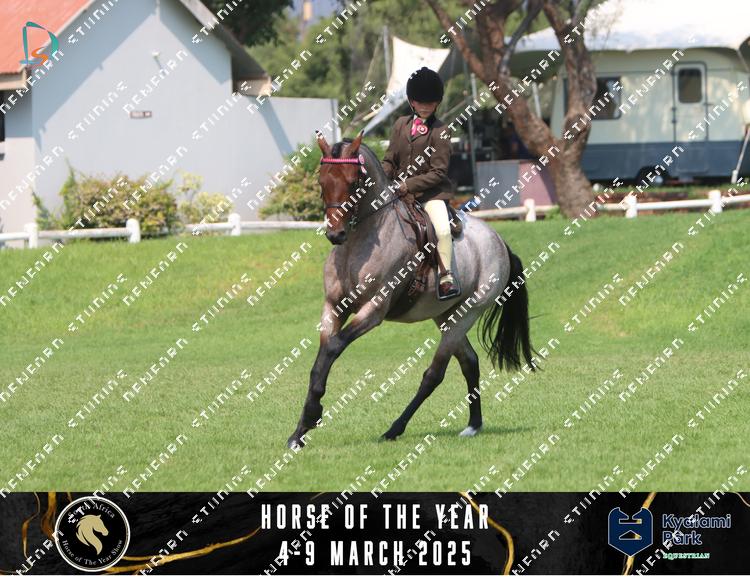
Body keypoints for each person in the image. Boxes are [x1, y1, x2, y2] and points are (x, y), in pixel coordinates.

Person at [381, 66, 459, 300]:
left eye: (430, 102)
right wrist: (379, 175)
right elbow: (390, 160)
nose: (424, 107)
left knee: (442, 230)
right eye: (419, 102)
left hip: (430, 194)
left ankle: (446, 277)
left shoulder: (441, 130)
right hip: (398, 192)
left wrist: (408, 185)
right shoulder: (400, 124)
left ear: (437, 102)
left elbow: (438, 172)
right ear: (411, 101)